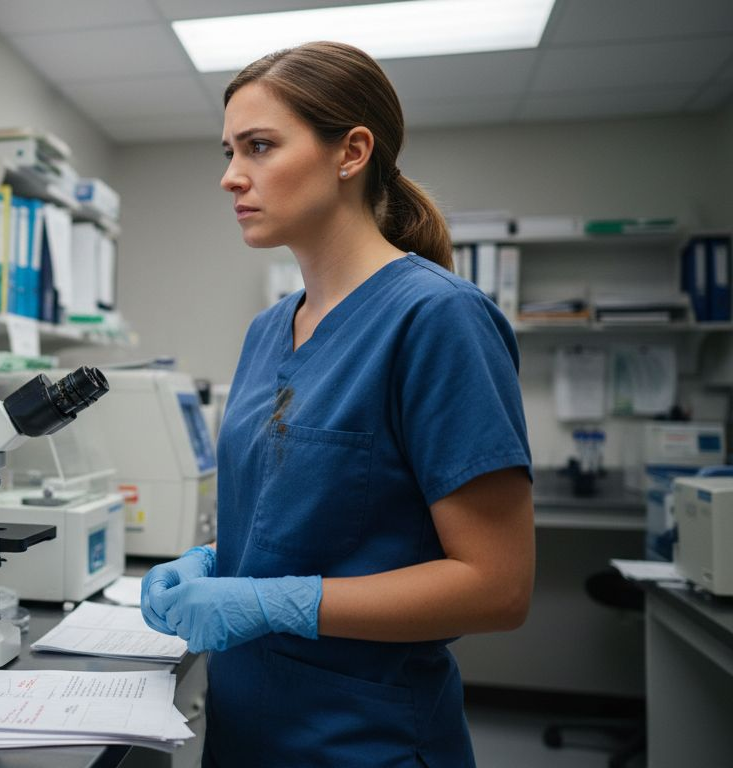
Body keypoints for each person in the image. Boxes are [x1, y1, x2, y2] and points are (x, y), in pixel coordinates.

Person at [140, 42, 535, 767]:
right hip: (244, 733)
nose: (231, 177)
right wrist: (214, 562)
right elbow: (302, 521)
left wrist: (266, 603)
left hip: (363, 742)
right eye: (229, 150)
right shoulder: (268, 330)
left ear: (351, 152)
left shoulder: (438, 318)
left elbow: (497, 585)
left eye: (260, 146)